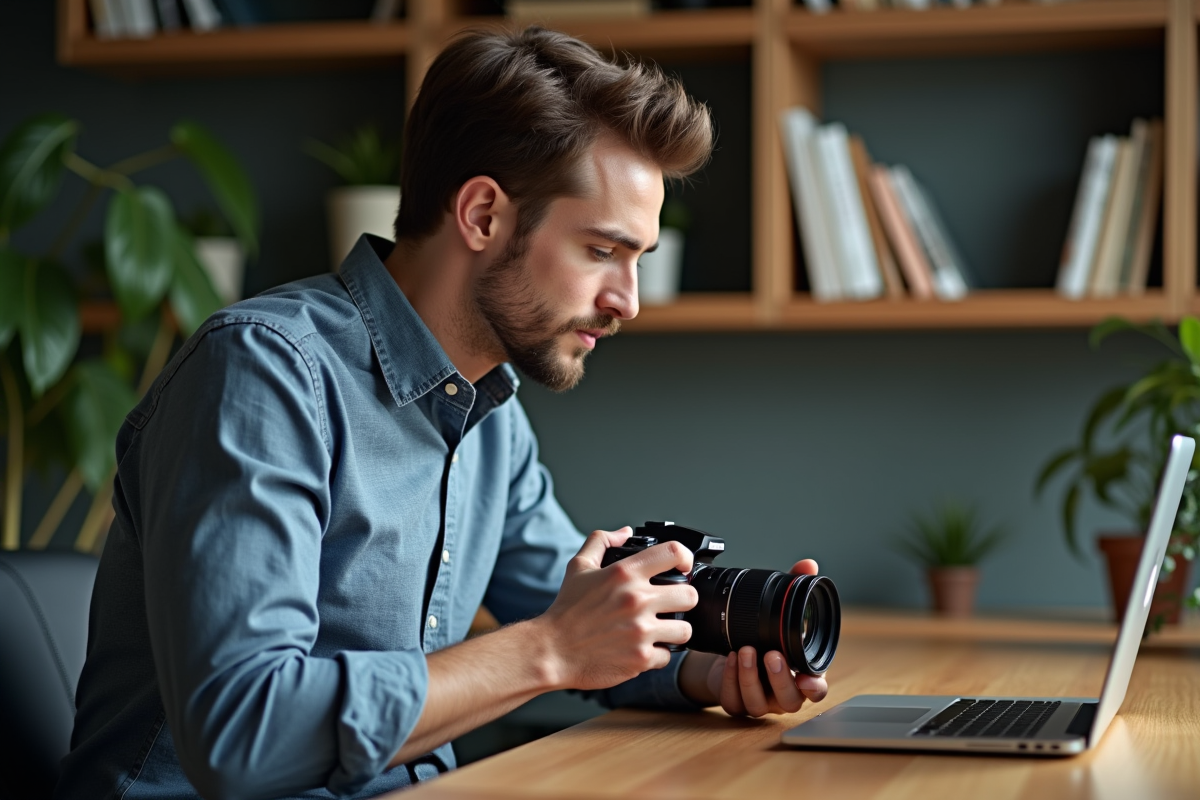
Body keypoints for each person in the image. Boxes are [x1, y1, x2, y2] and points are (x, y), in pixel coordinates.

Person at [56, 26, 827, 800]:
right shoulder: (264, 373)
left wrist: (713, 672)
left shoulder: (492, 418)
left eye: (639, 260)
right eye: (602, 251)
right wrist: (550, 650)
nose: (627, 300)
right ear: (484, 215)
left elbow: (580, 626)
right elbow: (241, 733)